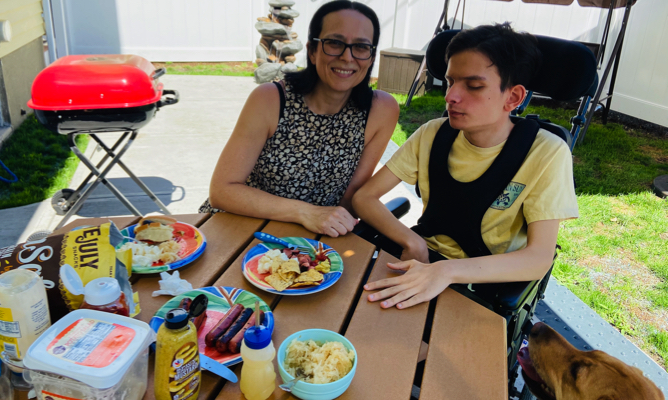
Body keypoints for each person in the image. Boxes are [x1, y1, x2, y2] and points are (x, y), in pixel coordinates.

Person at [352, 23, 578, 309]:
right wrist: (413, 242)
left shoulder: (545, 153)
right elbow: (364, 197)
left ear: (513, 98)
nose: (451, 96)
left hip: (484, 287)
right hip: (421, 264)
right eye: (450, 82)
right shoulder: (433, 133)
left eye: (473, 85)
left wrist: (446, 272)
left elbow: (538, 259)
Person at [199, 1, 399, 238]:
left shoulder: (381, 110)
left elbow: (351, 197)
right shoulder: (271, 99)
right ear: (313, 51)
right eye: (334, 43)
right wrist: (306, 213)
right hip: (238, 229)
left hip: (308, 243)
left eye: (361, 47)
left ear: (371, 56)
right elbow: (223, 190)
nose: (347, 57)